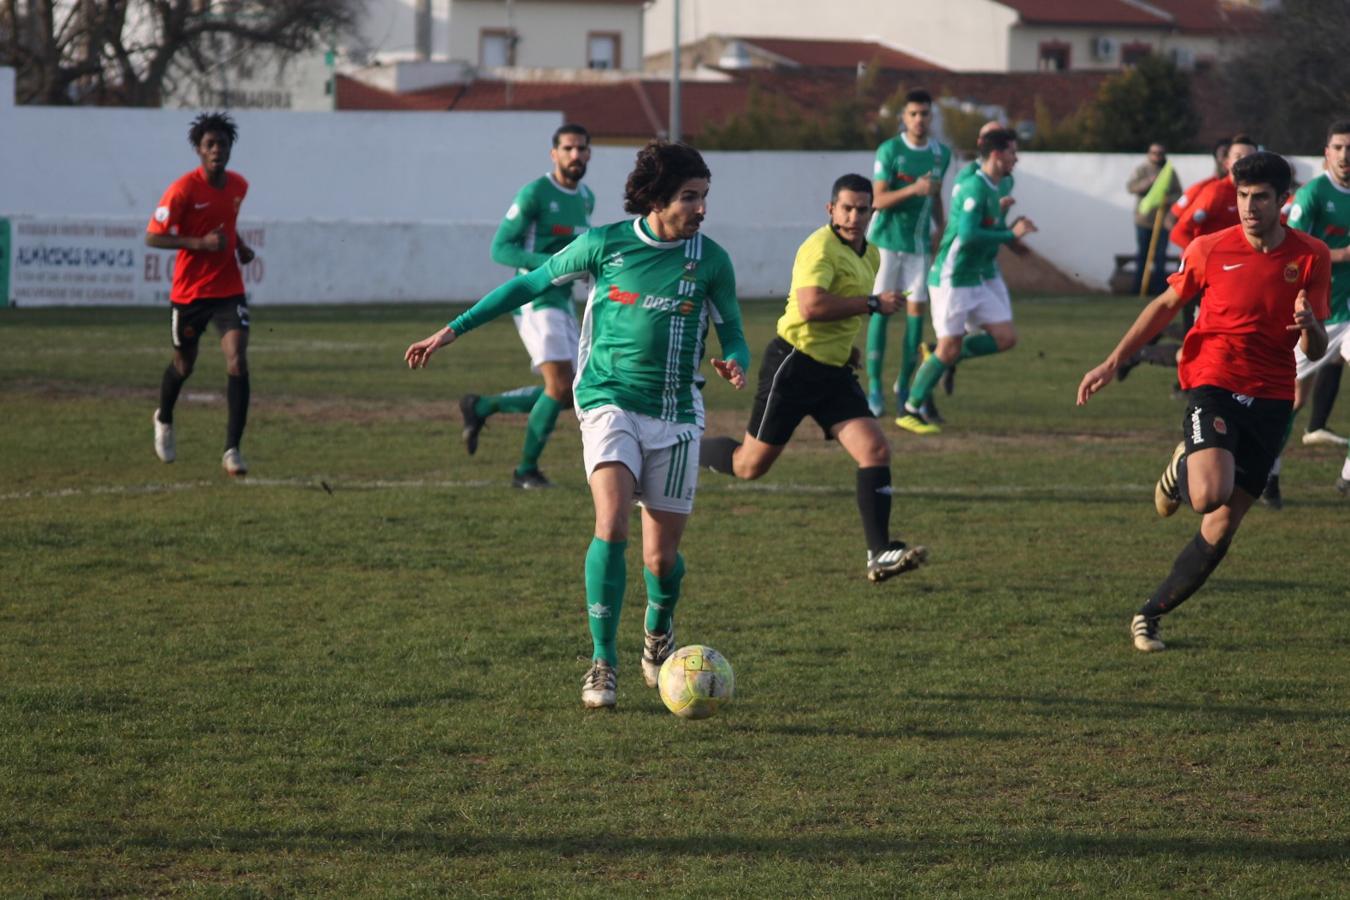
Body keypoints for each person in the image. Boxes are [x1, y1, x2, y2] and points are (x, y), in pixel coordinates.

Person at [405, 141, 749, 709]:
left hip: (677, 414)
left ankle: (657, 629)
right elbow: (529, 283)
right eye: (690, 197)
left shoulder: (711, 260)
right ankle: (602, 662)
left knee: (661, 560)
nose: (701, 209)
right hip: (608, 400)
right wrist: (451, 330)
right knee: (611, 524)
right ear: (659, 198)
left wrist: (735, 358)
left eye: (704, 196)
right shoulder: (605, 244)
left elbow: (733, 328)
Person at [1077, 152, 1329, 653]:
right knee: (1209, 495)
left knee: (1221, 526)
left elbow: (1315, 350)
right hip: (1214, 380)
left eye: (1261, 197)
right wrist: (1113, 361)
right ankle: (1184, 465)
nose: (1249, 207)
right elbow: (1165, 304)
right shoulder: (1209, 248)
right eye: (1243, 196)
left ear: (1283, 201)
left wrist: (1311, 327)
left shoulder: (1311, 256)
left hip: (1273, 396)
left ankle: (1149, 615)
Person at [699, 174, 929, 583]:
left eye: (862, 209)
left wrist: (847, 348)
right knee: (749, 466)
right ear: (831, 210)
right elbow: (811, 306)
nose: (854, 216)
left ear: (872, 212)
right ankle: (681, 451)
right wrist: (872, 303)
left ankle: (879, 553)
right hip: (794, 365)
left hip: (833, 372)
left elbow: (840, 310)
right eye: (847, 208)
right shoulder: (819, 247)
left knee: (875, 449)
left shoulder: (871, 255)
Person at [457, 123, 595, 489]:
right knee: (561, 385)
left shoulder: (586, 198)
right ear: (554, 154)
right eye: (568, 148)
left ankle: (482, 407)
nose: (575, 155)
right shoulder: (535, 193)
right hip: (535, 300)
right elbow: (501, 248)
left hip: (563, 300)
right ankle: (525, 471)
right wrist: (552, 266)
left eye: (581, 148)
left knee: (571, 391)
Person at [897, 128, 1037, 435]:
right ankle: (910, 409)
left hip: (977, 276)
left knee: (1005, 337)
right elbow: (968, 234)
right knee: (949, 348)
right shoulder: (974, 186)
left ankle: (937, 356)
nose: (1016, 158)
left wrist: (1007, 228)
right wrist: (1010, 234)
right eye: (1012, 152)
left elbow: (987, 227)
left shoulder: (997, 185)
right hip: (953, 278)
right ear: (997, 154)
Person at [146, 111, 256, 477]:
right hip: (190, 293)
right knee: (184, 365)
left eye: (222, 144)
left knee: (237, 360)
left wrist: (239, 245)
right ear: (198, 149)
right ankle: (164, 417)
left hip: (228, 289)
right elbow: (153, 237)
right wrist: (200, 243)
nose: (216, 150)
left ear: (230, 148)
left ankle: (232, 450)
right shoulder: (182, 190)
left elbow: (227, 223)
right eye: (210, 144)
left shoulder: (238, 185)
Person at [1269, 121, 1350, 504]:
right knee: (1291, 400)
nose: (1346, 155)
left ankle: (1348, 476)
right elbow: (1295, 251)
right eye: (1339, 147)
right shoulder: (1313, 194)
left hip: (1348, 315)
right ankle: (1268, 473)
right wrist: (1342, 255)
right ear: (1327, 153)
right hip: (1316, 317)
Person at [864, 89, 952, 418]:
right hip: (886, 243)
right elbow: (877, 200)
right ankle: (875, 388)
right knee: (881, 312)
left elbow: (936, 195)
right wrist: (914, 188)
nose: (919, 120)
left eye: (924, 114)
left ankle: (903, 386)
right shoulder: (890, 151)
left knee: (916, 317)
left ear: (931, 117)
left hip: (918, 247)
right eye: (913, 114)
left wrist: (941, 230)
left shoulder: (941, 154)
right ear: (903, 117)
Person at [1126, 142, 1182, 296]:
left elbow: (1179, 193)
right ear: (1149, 154)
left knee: (1160, 256)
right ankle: (1138, 289)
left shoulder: (1169, 172)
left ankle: (1159, 290)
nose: (1157, 156)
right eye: (1154, 153)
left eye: (1160, 153)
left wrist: (1166, 200)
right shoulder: (1141, 170)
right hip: (1143, 220)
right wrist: (1148, 182)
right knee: (1142, 255)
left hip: (1162, 221)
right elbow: (1131, 187)